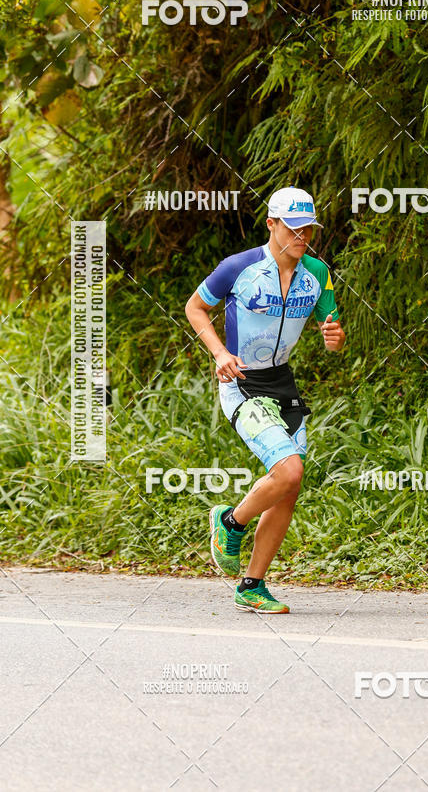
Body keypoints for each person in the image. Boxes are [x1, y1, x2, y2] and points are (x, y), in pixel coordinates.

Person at [185, 187, 345, 613]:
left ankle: (251, 585)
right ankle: (230, 523)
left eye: (308, 228)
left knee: (288, 490)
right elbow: (195, 308)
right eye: (293, 228)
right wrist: (220, 353)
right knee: (289, 470)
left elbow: (333, 336)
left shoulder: (318, 274)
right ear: (271, 224)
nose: (302, 236)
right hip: (241, 382)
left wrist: (335, 338)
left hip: (282, 383)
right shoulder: (239, 267)